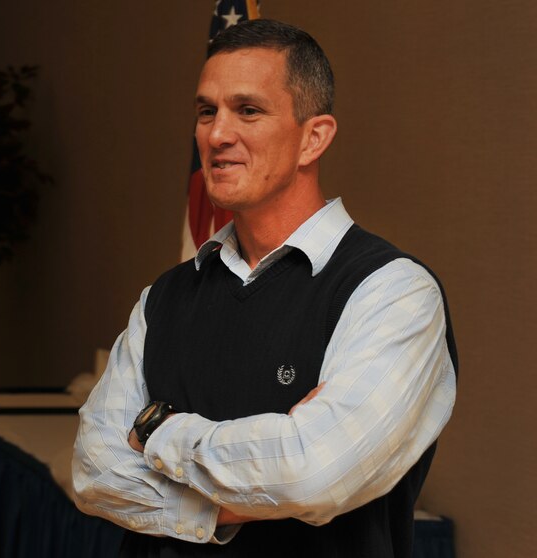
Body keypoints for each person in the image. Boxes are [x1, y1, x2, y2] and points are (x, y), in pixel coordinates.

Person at [72, 19, 458, 558]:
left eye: (248, 110)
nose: (216, 134)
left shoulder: (393, 291)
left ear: (313, 138)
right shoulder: (165, 296)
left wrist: (157, 432)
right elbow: (94, 474)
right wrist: (267, 467)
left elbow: (313, 474)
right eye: (207, 111)